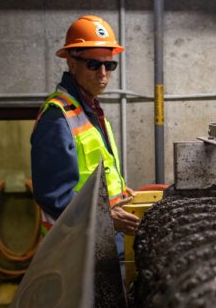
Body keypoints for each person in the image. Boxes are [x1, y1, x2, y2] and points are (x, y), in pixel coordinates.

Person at [31, 15, 139, 256]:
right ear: (71, 62)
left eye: (109, 65)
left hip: (99, 242)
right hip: (76, 251)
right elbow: (55, 197)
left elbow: (96, 175)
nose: (103, 73)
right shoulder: (58, 117)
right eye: (93, 64)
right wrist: (105, 216)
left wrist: (119, 193)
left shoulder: (89, 110)